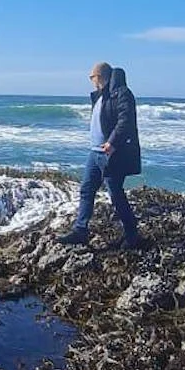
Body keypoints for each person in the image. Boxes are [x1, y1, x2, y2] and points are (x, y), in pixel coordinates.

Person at [56, 62, 142, 248]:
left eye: (91, 77)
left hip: (111, 153)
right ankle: (81, 230)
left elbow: (125, 120)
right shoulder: (102, 96)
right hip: (95, 153)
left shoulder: (121, 93)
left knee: (115, 195)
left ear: (100, 76)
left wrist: (112, 142)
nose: (91, 81)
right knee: (87, 189)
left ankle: (132, 235)